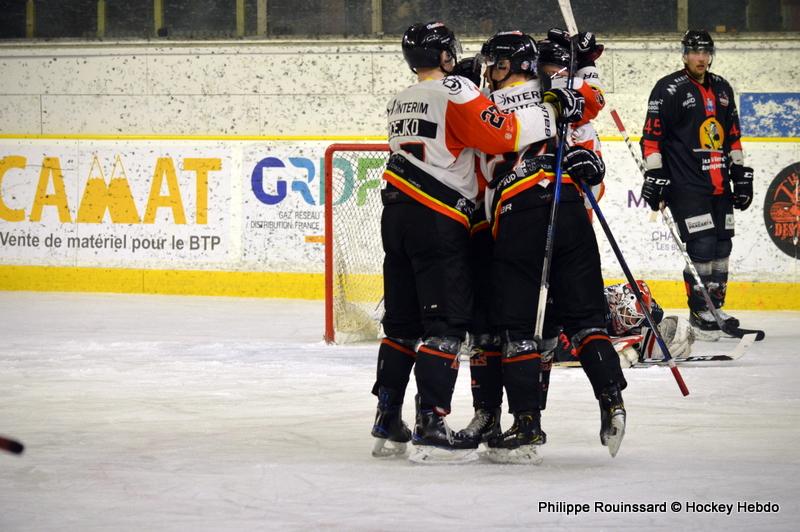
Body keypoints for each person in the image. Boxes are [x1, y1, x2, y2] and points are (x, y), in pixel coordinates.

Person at [370, 21, 583, 463]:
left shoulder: (400, 99)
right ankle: (431, 421)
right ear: (445, 56)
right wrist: (551, 106)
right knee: (445, 325)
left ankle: (387, 417)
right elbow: (503, 134)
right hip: (437, 216)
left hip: (395, 213)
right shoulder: (457, 89)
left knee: (402, 325)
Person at [465, 30, 626, 464]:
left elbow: (478, 172)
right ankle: (612, 400)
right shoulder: (553, 93)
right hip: (568, 205)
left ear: (508, 66)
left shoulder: (484, 105)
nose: (489, 72)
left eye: (494, 65)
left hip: (519, 214)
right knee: (586, 319)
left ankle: (526, 424)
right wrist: (583, 62)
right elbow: (591, 98)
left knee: (520, 328)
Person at [640, 30, 754, 338]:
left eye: (705, 52)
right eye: (694, 52)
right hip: (686, 184)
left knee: (722, 245)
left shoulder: (722, 88)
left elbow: (732, 136)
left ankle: (716, 308)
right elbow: (651, 139)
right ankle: (700, 311)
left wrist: (739, 173)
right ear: (684, 54)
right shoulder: (669, 89)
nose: (700, 58)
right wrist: (654, 176)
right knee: (702, 245)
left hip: (719, 183)